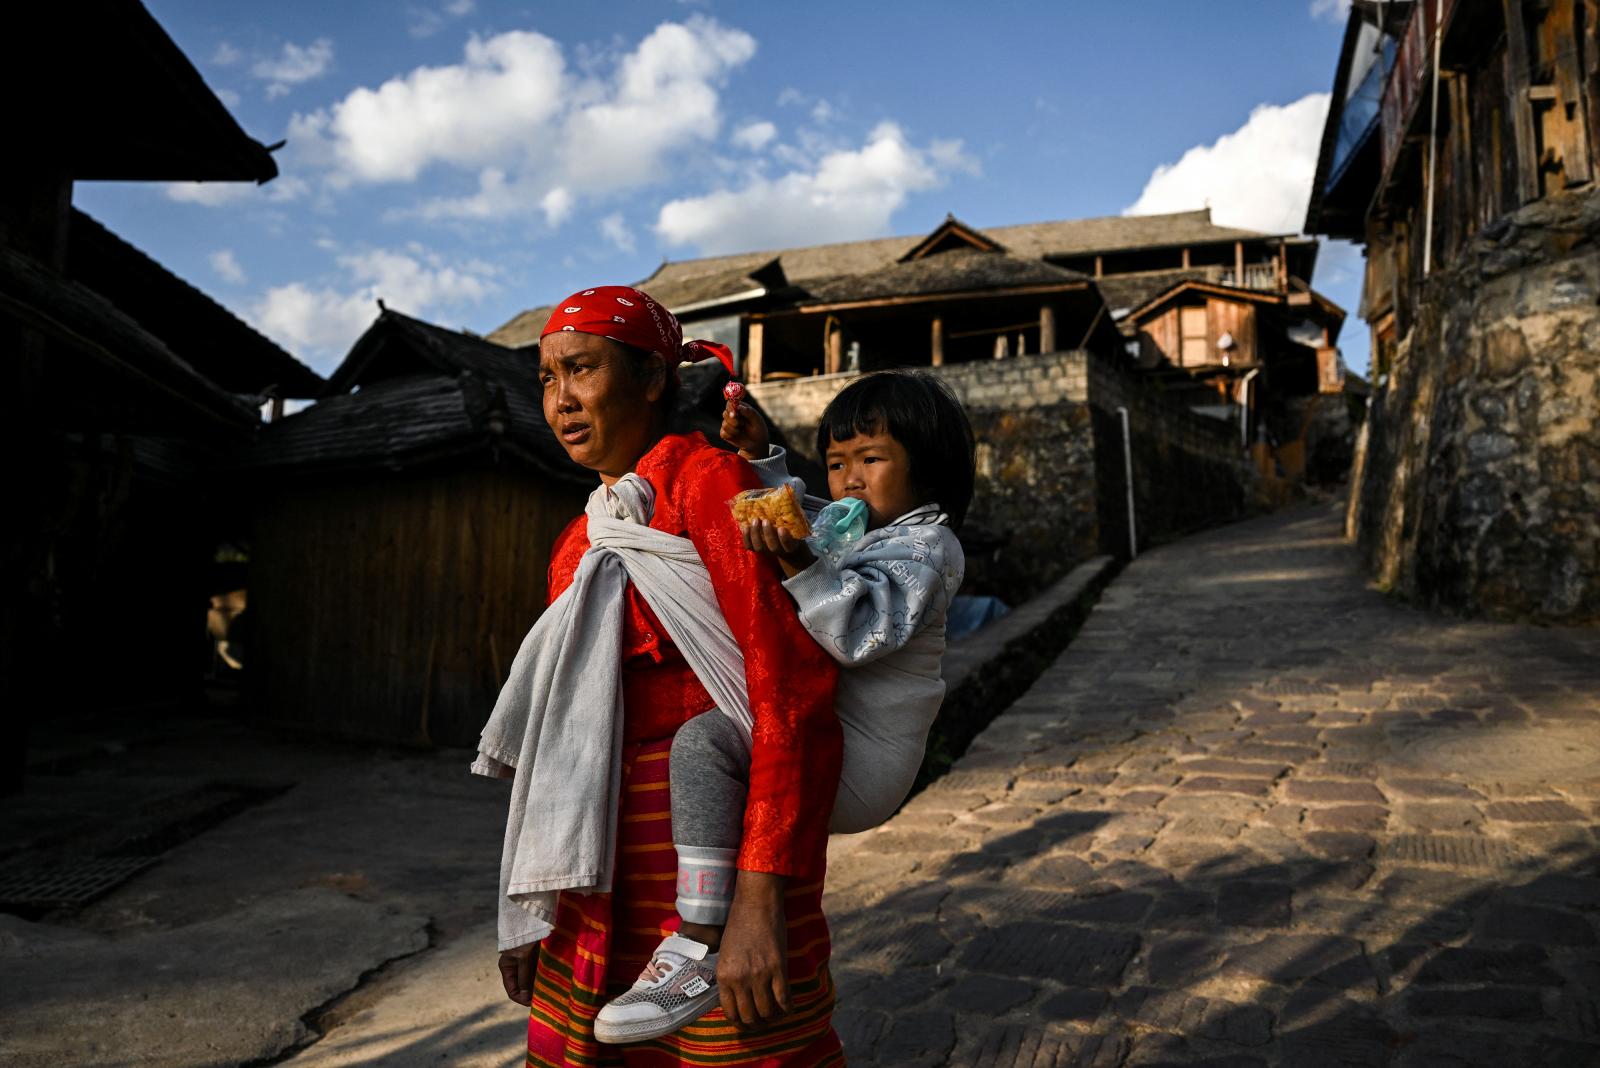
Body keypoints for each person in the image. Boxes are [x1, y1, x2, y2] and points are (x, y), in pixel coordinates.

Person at [478, 285, 846, 1067]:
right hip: (591, 868)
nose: (561, 398)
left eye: (582, 369)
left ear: (651, 379)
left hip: (710, 863)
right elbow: (557, 739)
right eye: (547, 378)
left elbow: (790, 689)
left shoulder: (712, 485)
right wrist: (531, 907)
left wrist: (757, 900)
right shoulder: (579, 541)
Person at [595, 371, 975, 1044]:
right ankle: (703, 924)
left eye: (871, 459)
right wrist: (761, 459)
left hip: (863, 760)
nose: (850, 479)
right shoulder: (859, 529)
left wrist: (800, 561)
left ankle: (699, 943)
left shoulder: (927, 547)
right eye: (837, 461)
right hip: (830, 735)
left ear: (928, 467)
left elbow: (858, 632)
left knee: (705, 744)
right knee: (709, 747)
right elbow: (811, 515)